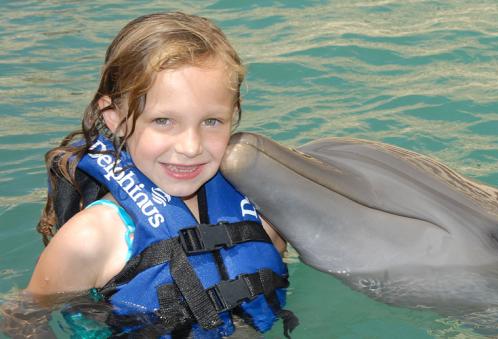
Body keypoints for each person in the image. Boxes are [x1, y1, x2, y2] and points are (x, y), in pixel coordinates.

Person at [26, 12, 296, 338]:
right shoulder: (92, 239)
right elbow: (25, 317)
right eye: (163, 121)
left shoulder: (258, 209)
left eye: (212, 121)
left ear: (233, 113)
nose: (191, 146)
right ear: (114, 118)